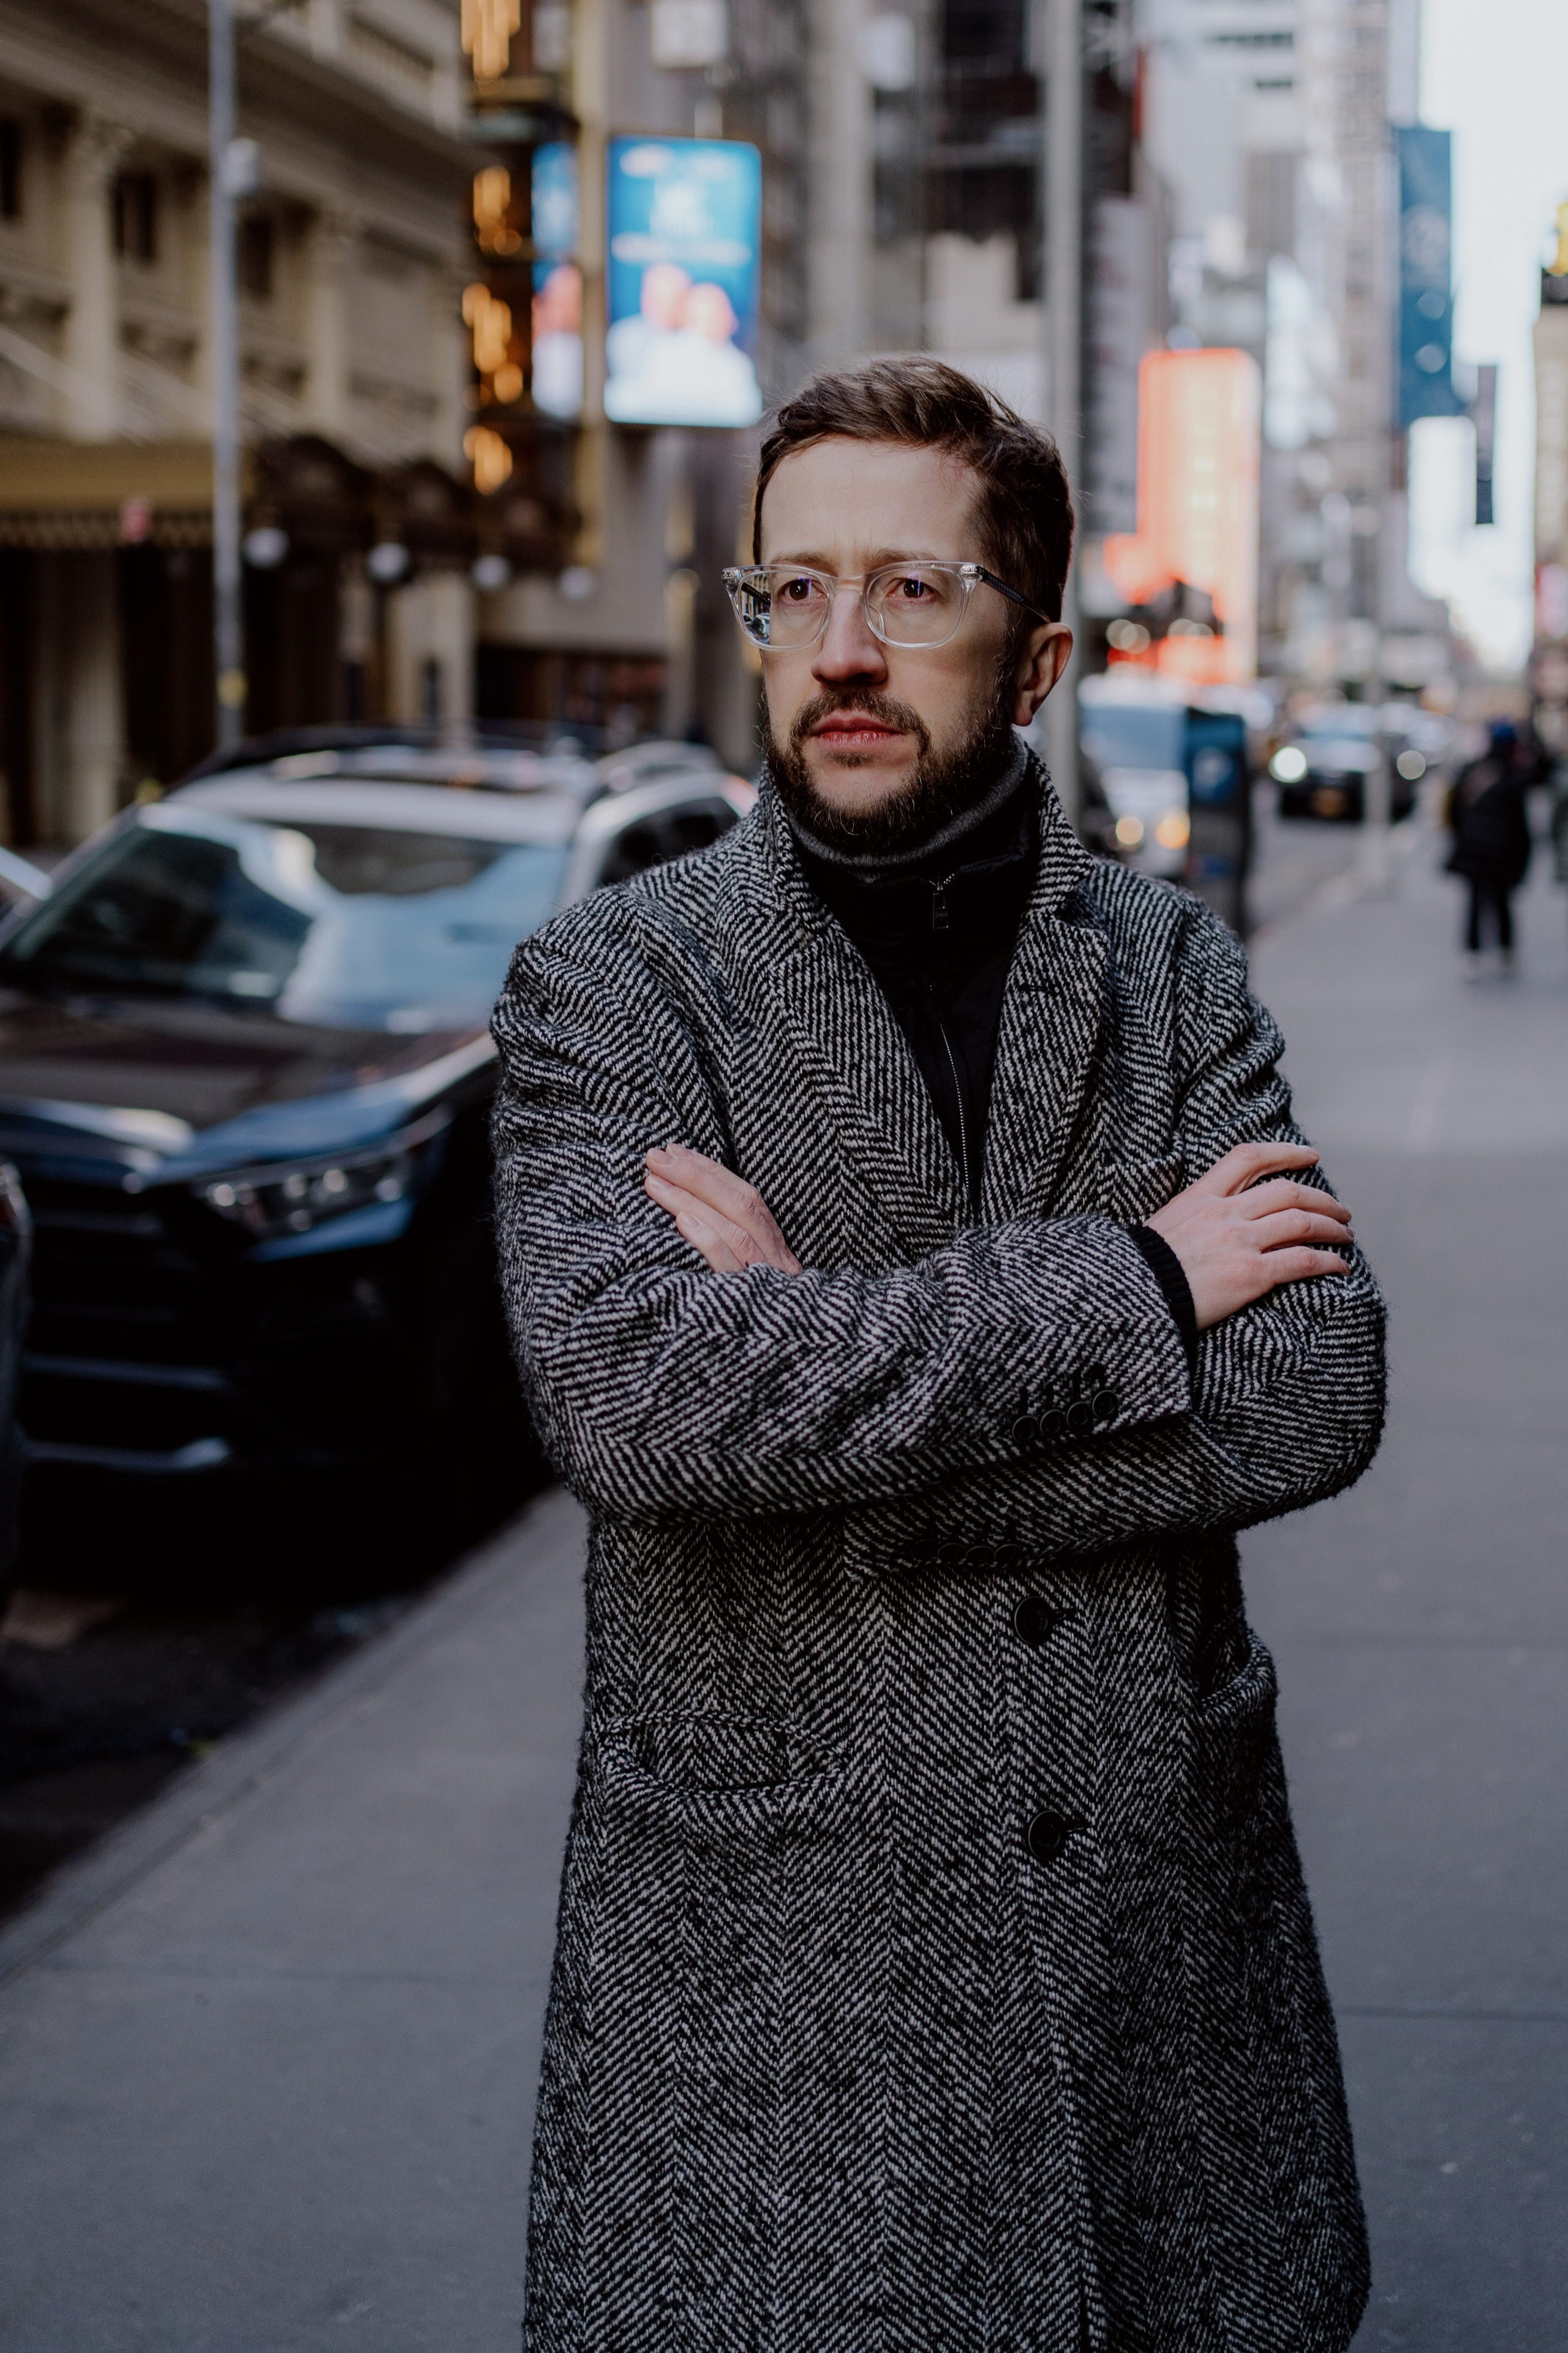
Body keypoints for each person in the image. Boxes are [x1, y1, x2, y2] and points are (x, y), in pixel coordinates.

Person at [491, 359, 1385, 2352]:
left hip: (1151, 1984)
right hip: (781, 2019)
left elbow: (1318, 1382)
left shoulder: (1171, 969)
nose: (841, 652)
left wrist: (816, 1367)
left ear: (1040, 652)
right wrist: (1137, 1291)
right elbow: (640, 1402)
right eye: (790, 593)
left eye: (911, 592)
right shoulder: (612, 982)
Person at [1446, 718, 1533, 974]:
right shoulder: (1513, 777)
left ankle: (1472, 955)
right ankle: (1506, 952)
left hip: (1474, 851)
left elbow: (1453, 813)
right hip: (1502, 854)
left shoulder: (1472, 770)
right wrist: (1523, 859)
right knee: (1503, 903)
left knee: (1475, 903)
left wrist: (1462, 841)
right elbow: (1520, 826)